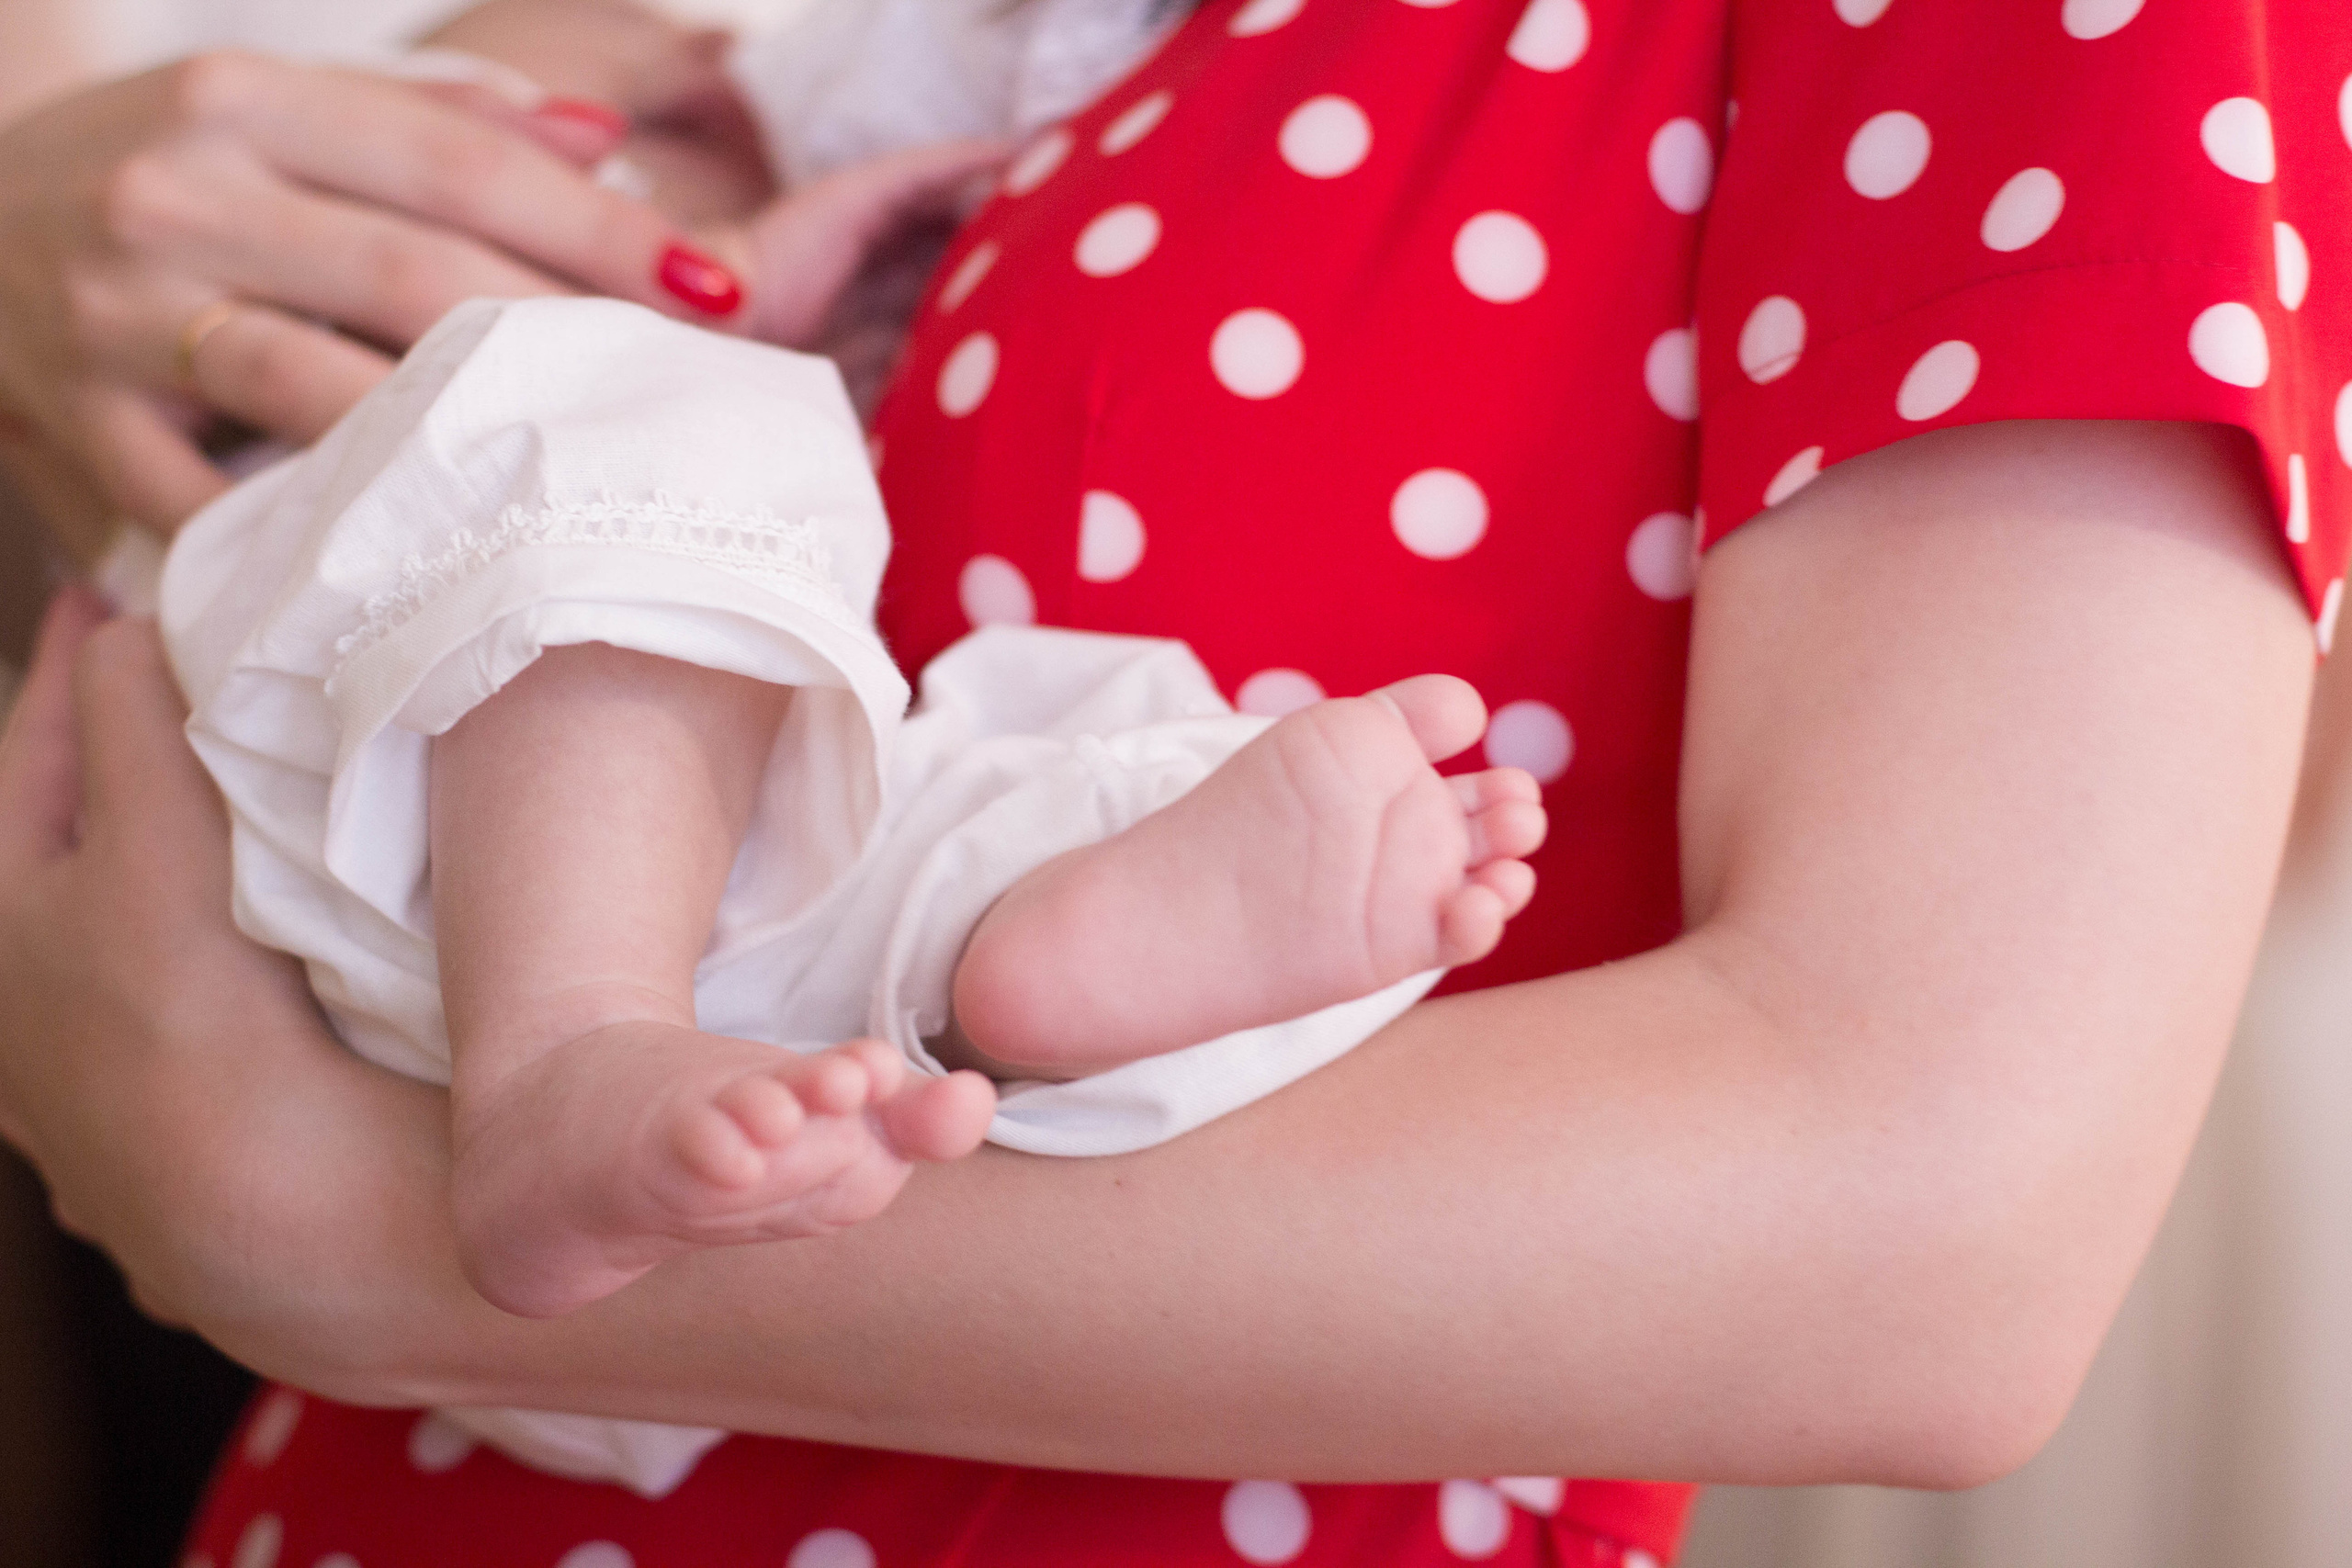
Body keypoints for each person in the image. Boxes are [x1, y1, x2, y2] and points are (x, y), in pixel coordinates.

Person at [0, 1, 2344, 1565]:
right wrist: (89, 222)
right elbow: (551, 241)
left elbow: (1922, 1232)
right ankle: (987, 957)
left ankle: (994, 964)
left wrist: (355, 1227)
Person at [163, 287, 1542, 1492]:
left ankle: (941, 1007)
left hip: (685, 1095)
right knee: (660, 429)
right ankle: (891, 998)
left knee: (927, 756)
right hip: (376, 796)